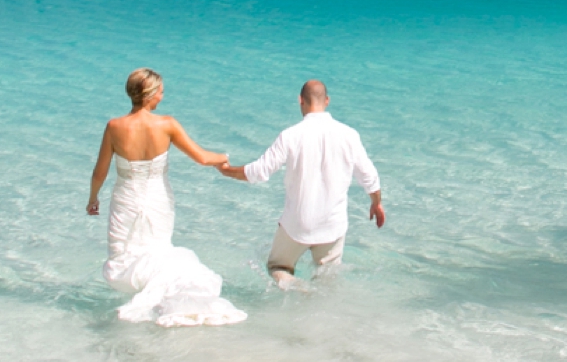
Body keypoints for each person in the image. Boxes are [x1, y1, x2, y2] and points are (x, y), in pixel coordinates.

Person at [88, 68, 245, 326]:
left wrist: (93, 199)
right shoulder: (167, 125)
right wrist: (224, 158)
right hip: (158, 200)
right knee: (159, 250)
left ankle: (151, 300)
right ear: (150, 95)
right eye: (160, 91)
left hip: (125, 199)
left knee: (124, 257)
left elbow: (99, 172)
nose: (162, 95)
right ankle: (165, 303)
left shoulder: (114, 127)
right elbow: (203, 157)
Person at [220, 79, 385, 288]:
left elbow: (259, 171)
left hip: (297, 224)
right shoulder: (349, 135)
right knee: (327, 281)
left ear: (300, 101)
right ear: (327, 101)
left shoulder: (290, 136)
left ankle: (295, 286)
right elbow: (370, 177)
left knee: (277, 267)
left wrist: (227, 170)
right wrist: (376, 203)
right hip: (332, 226)